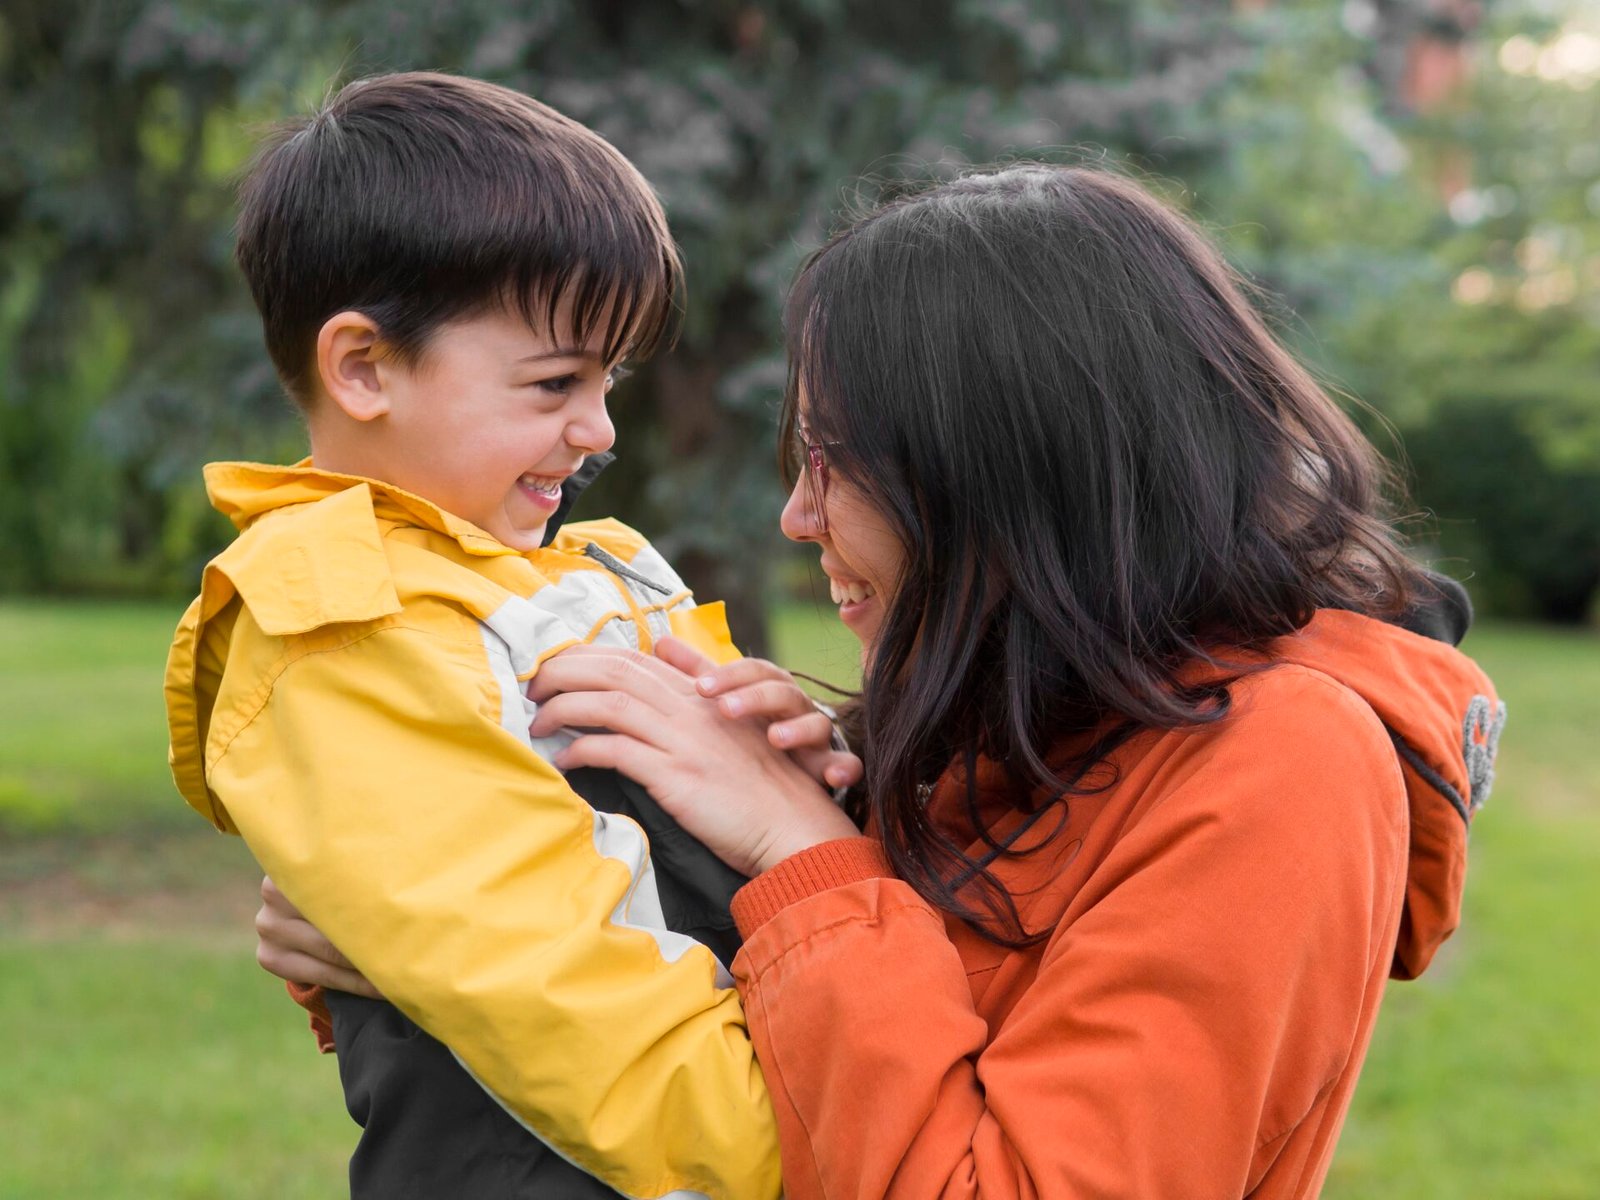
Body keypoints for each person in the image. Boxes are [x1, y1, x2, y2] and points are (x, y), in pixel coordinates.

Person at [263, 164, 1505, 1197]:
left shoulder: (1282, 763)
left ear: (1004, 474)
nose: (797, 518)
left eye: (833, 461)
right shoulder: (1031, 711)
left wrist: (804, 854)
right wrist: (427, 933)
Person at [164, 71, 856, 1200]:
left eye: (608, 379)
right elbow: (545, 986)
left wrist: (815, 758)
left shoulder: (585, 570)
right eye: (553, 384)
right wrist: (814, 1146)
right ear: (363, 368)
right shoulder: (339, 623)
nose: (598, 429)